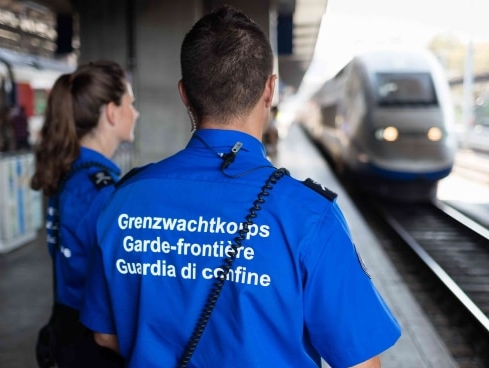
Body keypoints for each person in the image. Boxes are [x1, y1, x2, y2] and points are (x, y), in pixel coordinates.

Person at [80, 5, 401, 368]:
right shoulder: (309, 215)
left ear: (185, 94)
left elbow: (105, 334)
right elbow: (360, 363)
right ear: (270, 90)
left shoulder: (124, 200)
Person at [31, 60, 139, 368]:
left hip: (66, 326)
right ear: (111, 111)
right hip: (92, 342)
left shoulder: (72, 174)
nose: (136, 112)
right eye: (131, 103)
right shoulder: (100, 190)